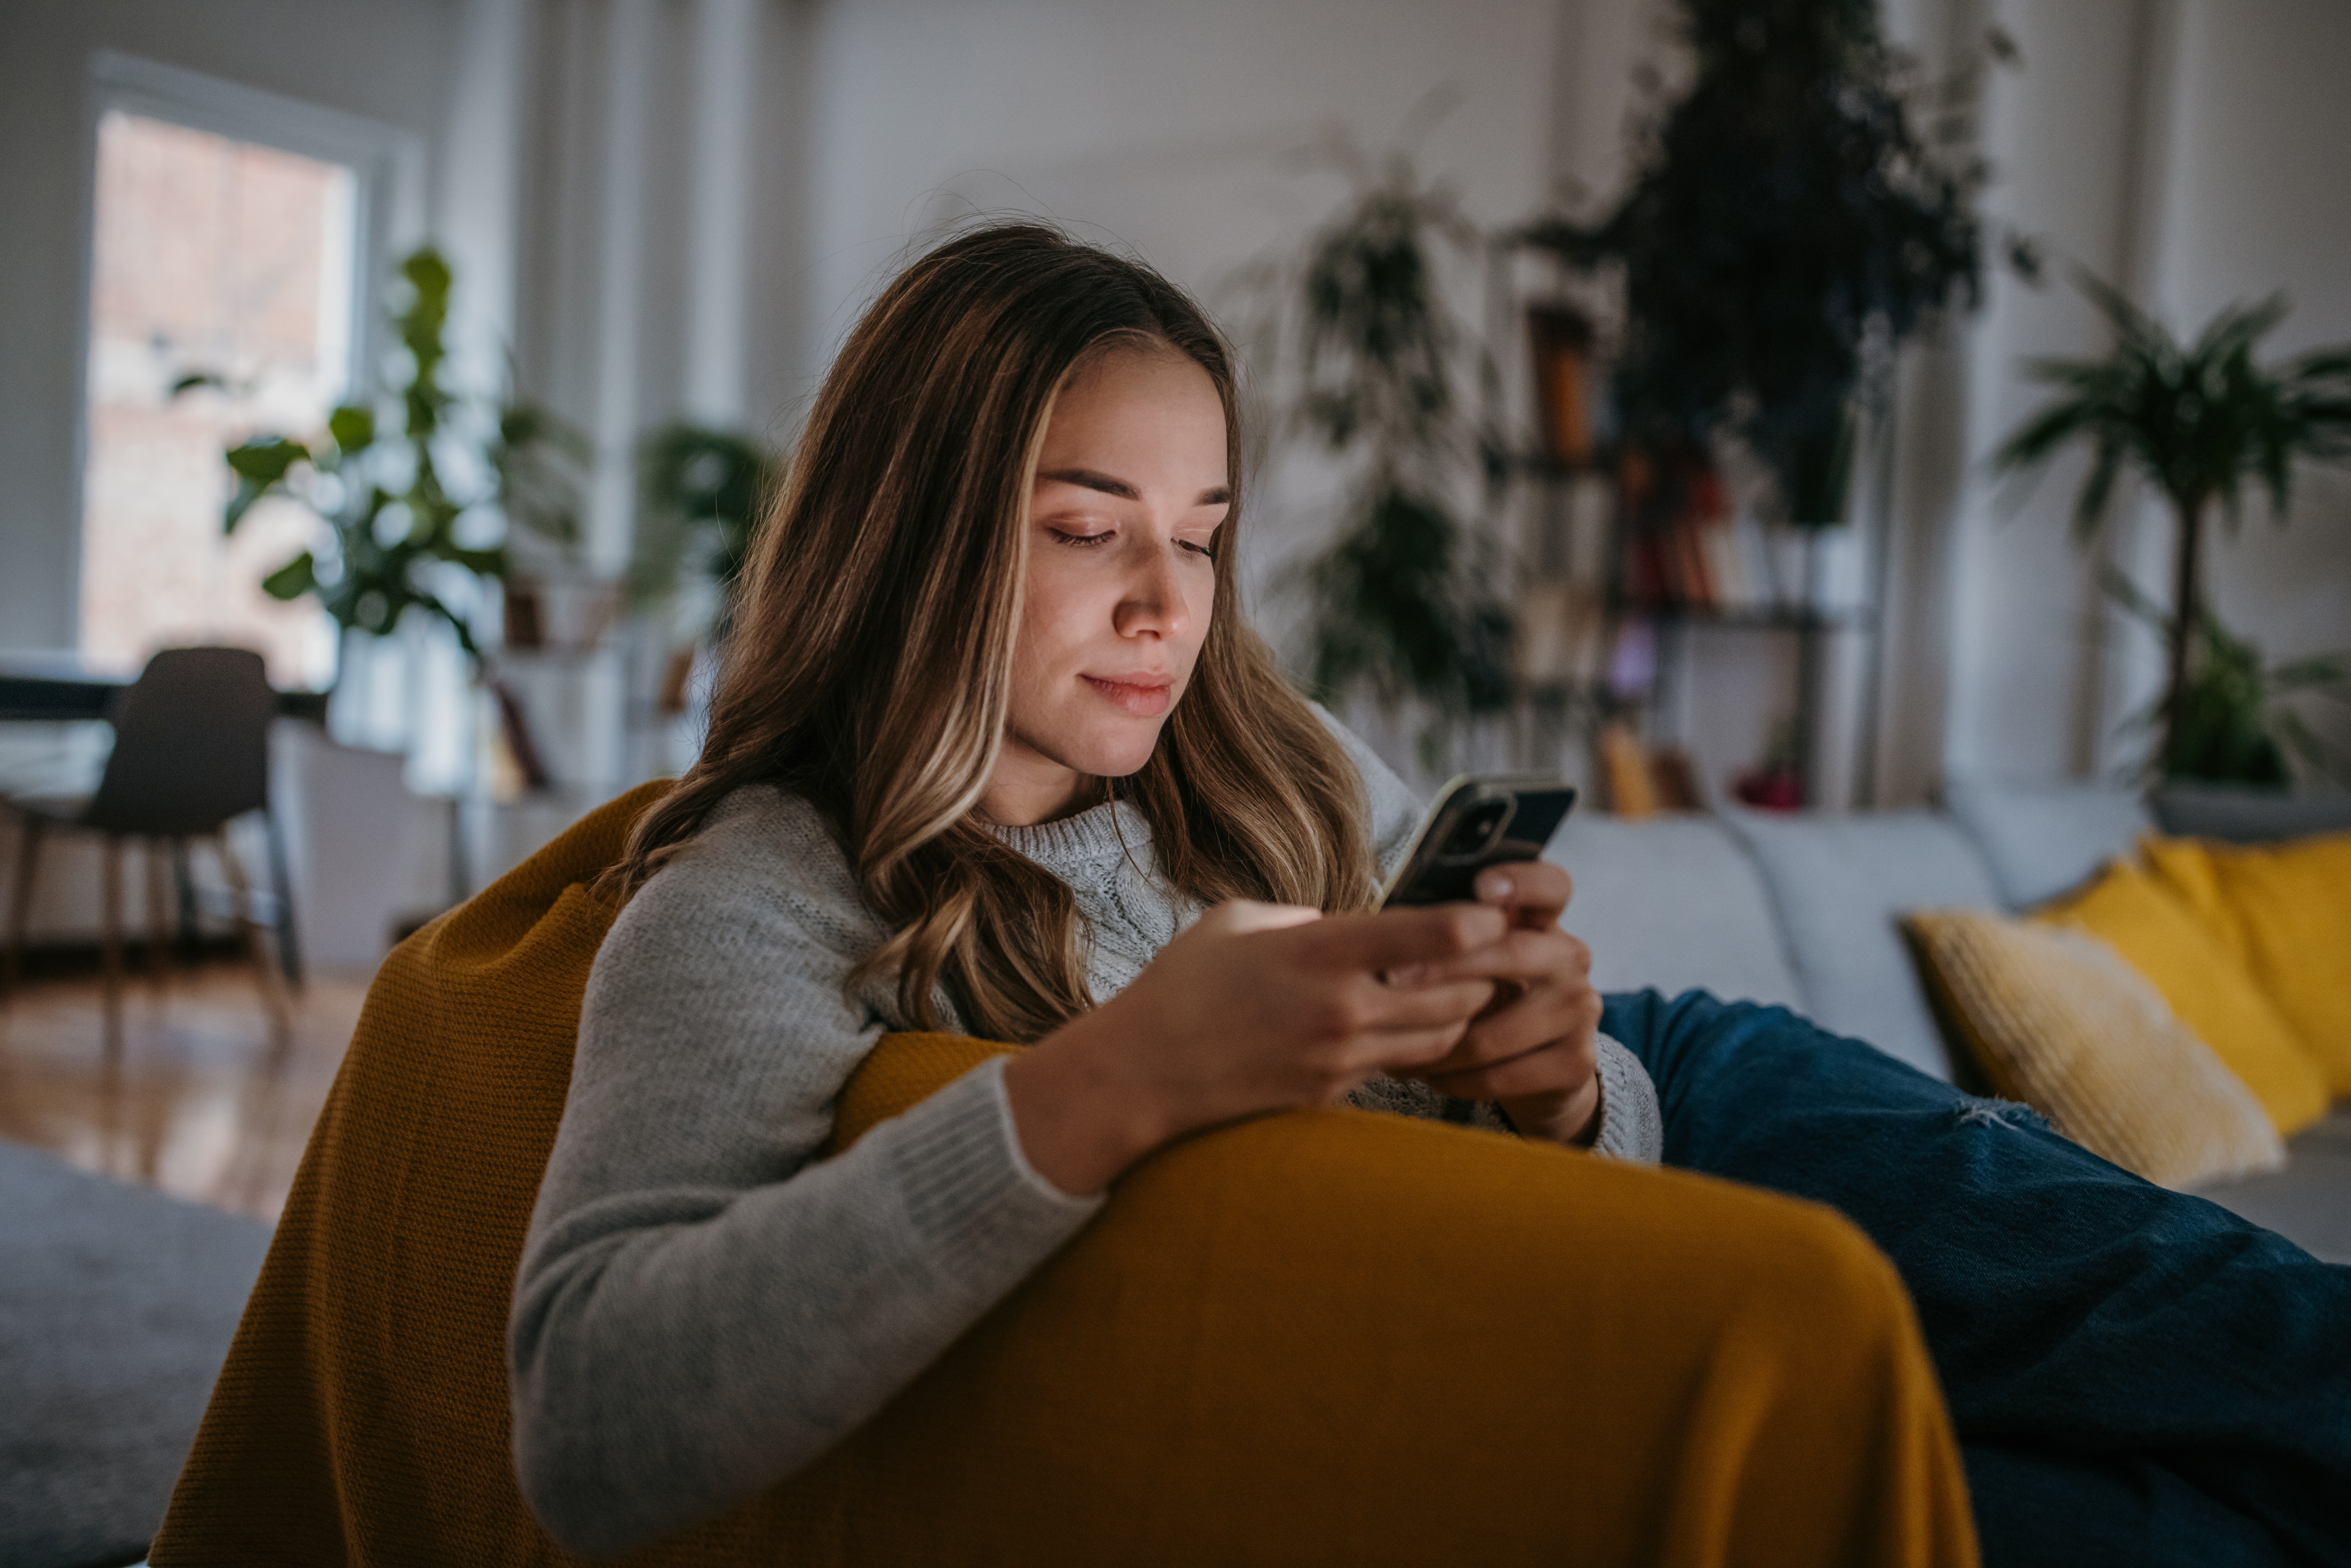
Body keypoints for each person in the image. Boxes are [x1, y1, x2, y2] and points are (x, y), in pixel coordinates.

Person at [509, 224, 2350, 1567]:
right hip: (1552, 1330)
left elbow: (1564, 1118)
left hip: (1699, 1097)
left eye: (1208, 535)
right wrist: (1124, 1079)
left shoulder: (1266, 752)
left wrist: (1556, 1083)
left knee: (2260, 1347)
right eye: (1087, 530)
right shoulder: (761, 897)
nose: (1171, 601)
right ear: (912, 531)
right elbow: (588, 1424)